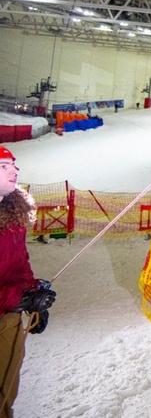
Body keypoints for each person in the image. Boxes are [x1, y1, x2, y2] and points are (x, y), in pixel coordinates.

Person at [1, 146, 57, 417]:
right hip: (7, 307)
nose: (15, 170)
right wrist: (19, 298)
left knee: (6, 392)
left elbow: (20, 264)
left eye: (13, 164)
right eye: (3, 166)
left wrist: (33, 297)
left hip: (9, 320)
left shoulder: (12, 214)